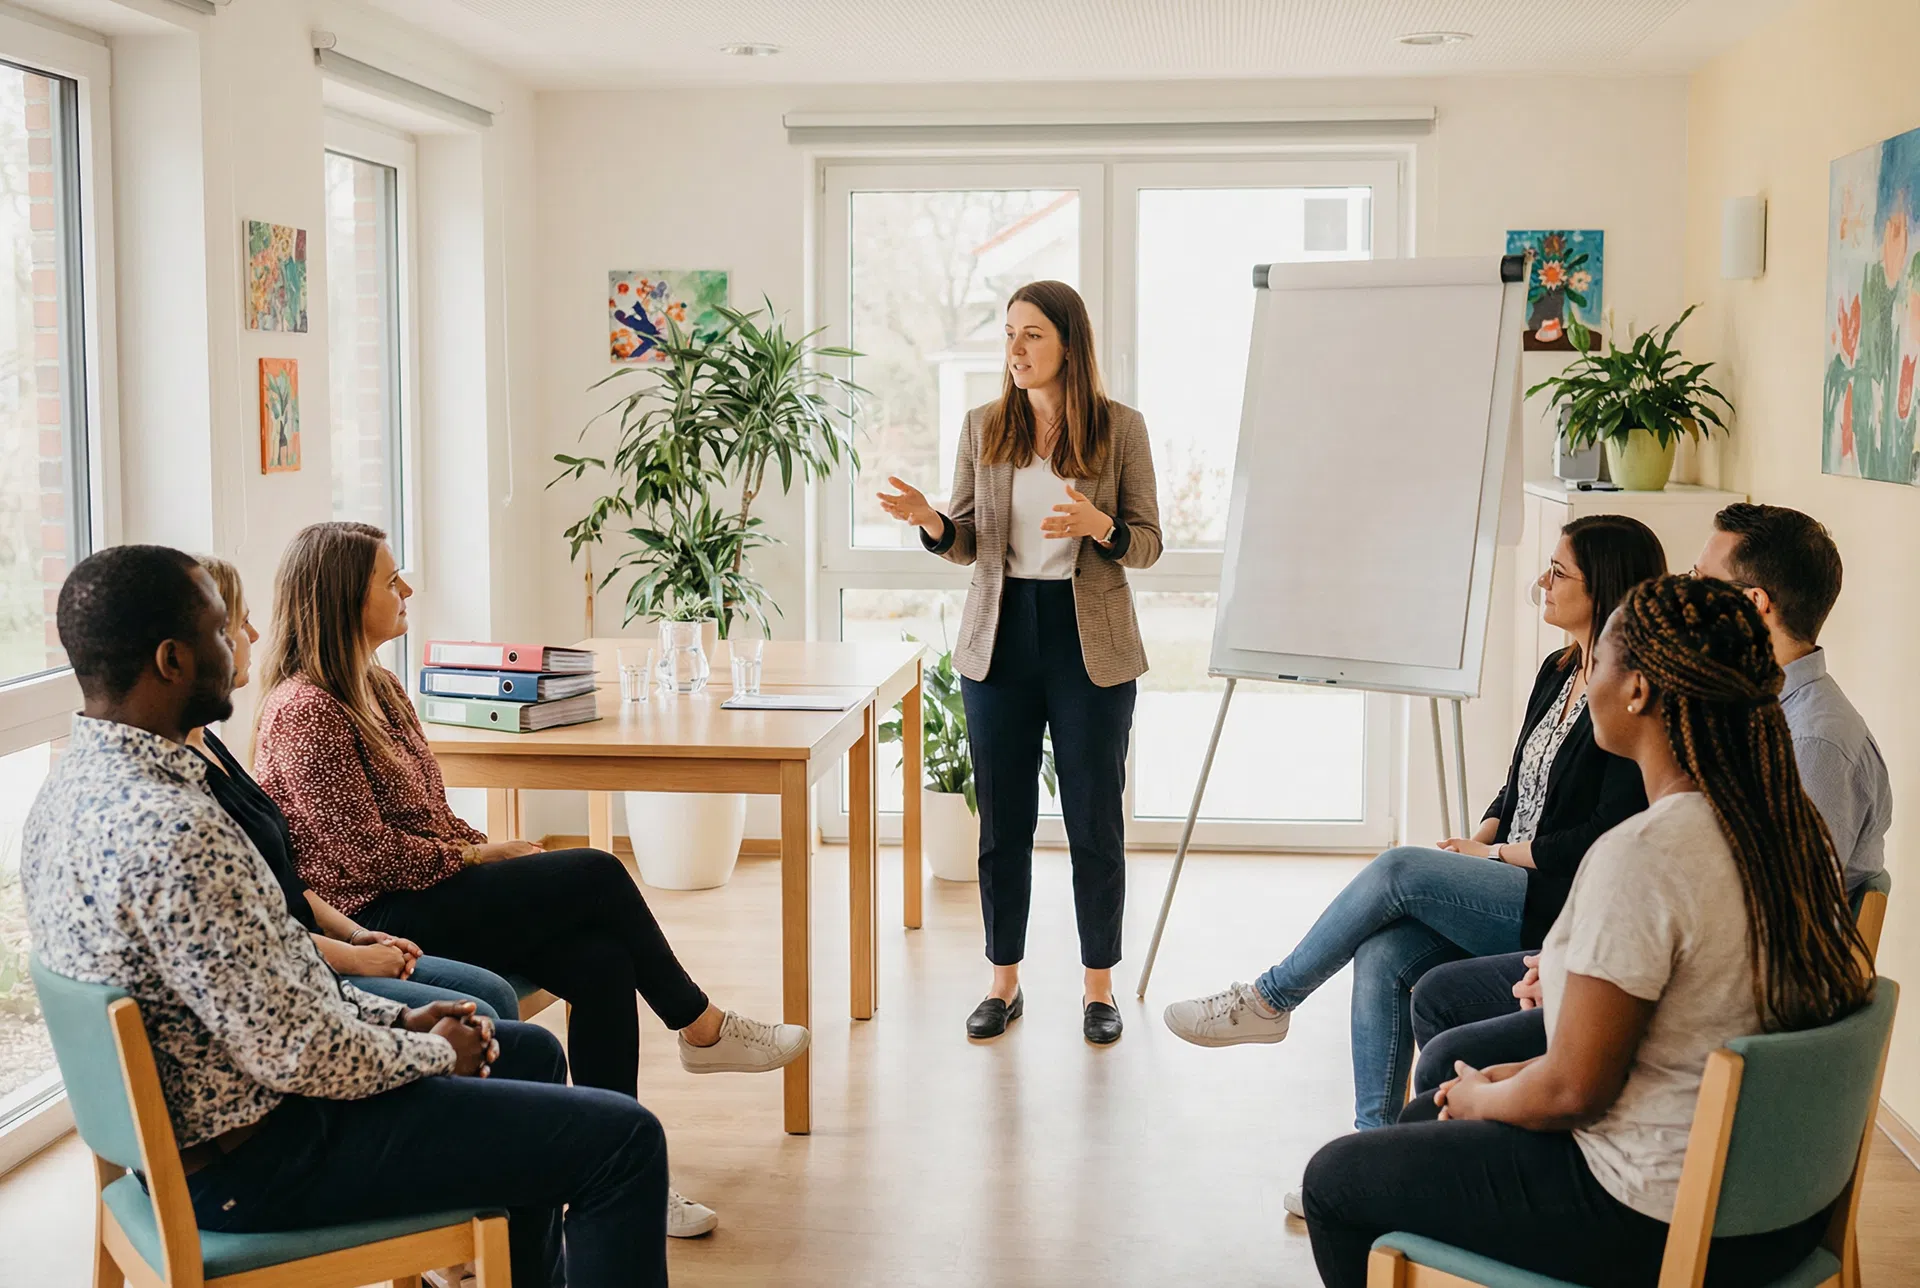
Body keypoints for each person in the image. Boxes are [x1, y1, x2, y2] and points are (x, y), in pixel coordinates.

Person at [21, 545, 671, 1288]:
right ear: (173, 660)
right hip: (267, 1160)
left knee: (527, 1053)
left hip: (222, 1128)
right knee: (625, 1142)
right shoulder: (178, 830)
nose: (240, 642)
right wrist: (433, 1052)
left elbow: (283, 984)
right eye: (219, 629)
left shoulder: (70, 791)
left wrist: (402, 1023)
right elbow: (296, 1053)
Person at [1301, 573, 1875, 1288]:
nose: (1589, 678)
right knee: (1424, 1111)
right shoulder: (1793, 827)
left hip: (1646, 1214)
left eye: (1598, 662)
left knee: (1336, 1180)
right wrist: (1514, 1079)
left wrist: (1489, 1097)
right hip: (1775, 1211)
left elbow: (1577, 1094)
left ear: (1638, 691)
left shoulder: (1647, 854)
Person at [252, 521, 805, 1238]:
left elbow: (428, 814)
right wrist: (482, 860)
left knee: (603, 964)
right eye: (390, 581)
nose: (407, 589)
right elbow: (367, 858)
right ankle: (701, 1028)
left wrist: (487, 848)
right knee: (598, 872)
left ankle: (617, 1164)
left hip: (427, 890)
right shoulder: (304, 712)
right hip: (381, 914)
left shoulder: (379, 687)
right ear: (340, 600)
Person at [1164, 515, 1665, 1139]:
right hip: (1510, 871)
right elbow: (1517, 786)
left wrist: (1499, 858)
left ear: (1606, 588)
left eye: (1559, 572)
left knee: (1399, 869)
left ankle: (1270, 998)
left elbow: (1602, 832)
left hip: (1557, 899)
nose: (1543, 581)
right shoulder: (1557, 671)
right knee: (1383, 951)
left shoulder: (1627, 698)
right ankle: (1374, 1143)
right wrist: (1482, 839)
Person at [1407, 501, 1892, 1099]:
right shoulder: (1747, 715)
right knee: (1424, 980)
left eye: (1698, 579)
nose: (1682, 592)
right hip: (1662, 970)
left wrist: (1567, 974)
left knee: (1442, 1046)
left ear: (1753, 606)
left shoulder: (1811, 741)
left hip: (1703, 1017)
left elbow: (1759, 934)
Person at [876, 279, 1162, 1046]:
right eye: (1009, 335)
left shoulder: (1120, 430)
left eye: (1032, 335)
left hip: (1088, 643)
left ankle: (1098, 987)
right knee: (1003, 821)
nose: (1015, 350)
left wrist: (1104, 524)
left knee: (1094, 820)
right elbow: (970, 540)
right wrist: (934, 520)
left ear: (1069, 342)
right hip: (999, 640)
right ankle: (1003, 983)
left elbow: (1149, 543)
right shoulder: (983, 427)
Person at [187, 555, 519, 1022]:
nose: (255, 636)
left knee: (590, 948)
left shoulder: (214, 749)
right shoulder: (303, 710)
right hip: (359, 914)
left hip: (345, 926)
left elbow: (288, 885)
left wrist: (357, 938)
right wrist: (360, 949)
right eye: (242, 623)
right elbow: (362, 860)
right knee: (589, 876)